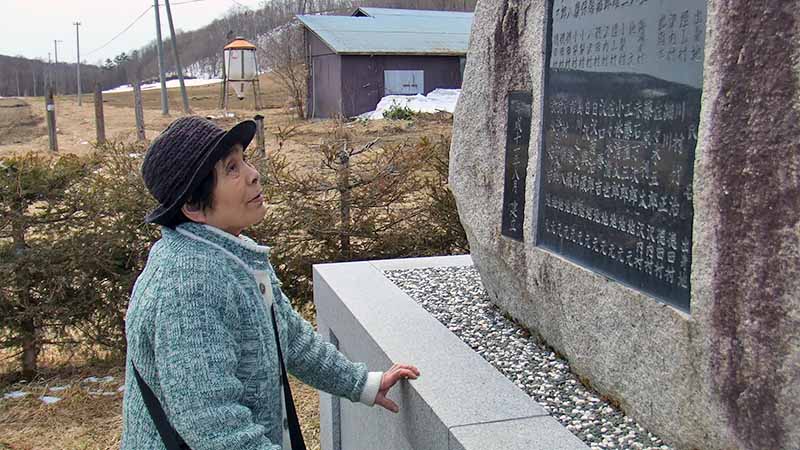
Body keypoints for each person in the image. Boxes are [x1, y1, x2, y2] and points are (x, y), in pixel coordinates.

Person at [121, 116, 421, 449]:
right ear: (192, 205)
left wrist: (361, 382)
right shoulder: (190, 284)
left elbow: (288, 335)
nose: (253, 174)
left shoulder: (228, 255)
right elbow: (214, 425)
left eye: (244, 159)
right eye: (232, 168)